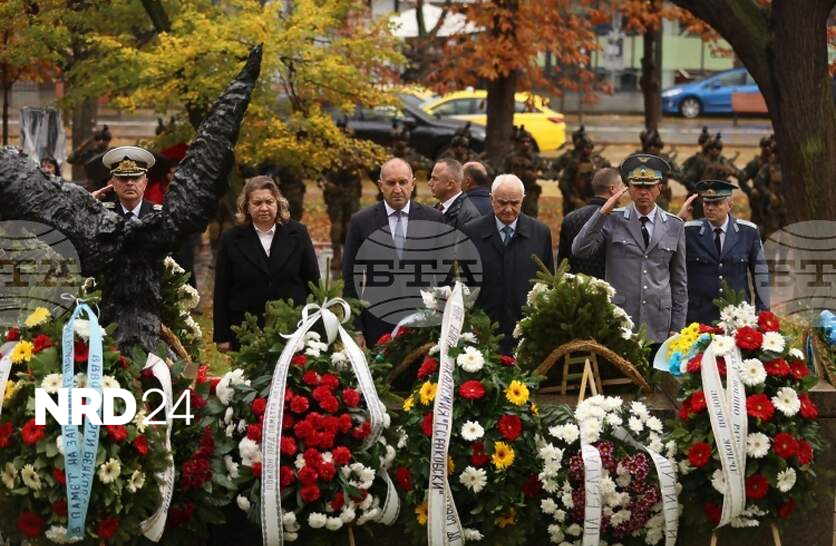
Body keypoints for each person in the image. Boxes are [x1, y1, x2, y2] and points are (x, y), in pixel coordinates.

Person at [572, 153, 687, 347]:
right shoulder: (612, 219)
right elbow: (579, 249)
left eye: (649, 186)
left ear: (659, 188)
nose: (643, 192)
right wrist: (602, 213)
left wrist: (677, 325)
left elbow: (679, 282)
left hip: (659, 324)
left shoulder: (674, 225)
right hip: (620, 321)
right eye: (637, 186)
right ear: (629, 189)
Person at [342, 157, 444, 348]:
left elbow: (445, 275)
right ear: (381, 185)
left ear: (413, 184)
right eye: (391, 183)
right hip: (376, 324)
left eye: (403, 182)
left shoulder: (434, 220)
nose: (397, 189)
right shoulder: (361, 222)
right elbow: (350, 278)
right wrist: (356, 329)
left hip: (422, 323)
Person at [213, 176, 320, 351]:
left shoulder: (298, 233)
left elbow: (313, 282)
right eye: (257, 203)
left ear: (278, 203)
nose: (264, 208)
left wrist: (316, 329)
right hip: (247, 331)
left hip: (293, 330)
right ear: (247, 206)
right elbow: (222, 289)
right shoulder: (230, 239)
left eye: (269, 202)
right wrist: (222, 336)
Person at [462, 174, 554, 354]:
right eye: (502, 203)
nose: (508, 209)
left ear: (523, 200)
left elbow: (547, 282)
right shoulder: (471, 232)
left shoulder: (540, 233)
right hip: (482, 334)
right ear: (491, 199)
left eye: (515, 203)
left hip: (525, 334)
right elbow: (462, 282)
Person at [684, 180, 770, 325]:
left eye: (717, 203)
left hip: (737, 318)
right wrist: (679, 218)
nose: (710, 208)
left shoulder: (748, 232)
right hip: (698, 318)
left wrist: (763, 315)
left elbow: (760, 274)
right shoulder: (689, 231)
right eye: (706, 203)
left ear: (730, 205)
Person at [557, 167, 625, 279]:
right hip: (608, 286)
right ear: (612, 189)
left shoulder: (570, 218)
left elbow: (563, 262)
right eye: (622, 186)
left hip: (575, 285)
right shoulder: (617, 219)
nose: (624, 191)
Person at [94, 145, 161, 219]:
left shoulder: (159, 215)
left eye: (135, 178)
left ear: (145, 183)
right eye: (123, 178)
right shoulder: (102, 213)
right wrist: (88, 204)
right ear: (113, 184)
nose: (129, 183)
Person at [558, 131, 610, 217]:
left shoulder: (599, 162)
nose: (587, 150)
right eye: (584, 148)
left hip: (595, 200)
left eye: (589, 147)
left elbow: (611, 177)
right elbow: (564, 182)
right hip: (577, 201)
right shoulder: (574, 163)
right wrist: (573, 199)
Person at [427, 158, 481, 230]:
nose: (429, 183)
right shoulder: (435, 209)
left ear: (450, 185)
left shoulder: (468, 216)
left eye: (435, 179)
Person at [502, 126, 543, 217]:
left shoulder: (535, 158)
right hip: (513, 192)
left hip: (530, 192)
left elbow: (548, 173)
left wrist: (536, 175)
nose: (525, 144)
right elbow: (502, 173)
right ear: (518, 143)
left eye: (528, 142)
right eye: (523, 142)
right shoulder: (510, 158)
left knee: (531, 217)